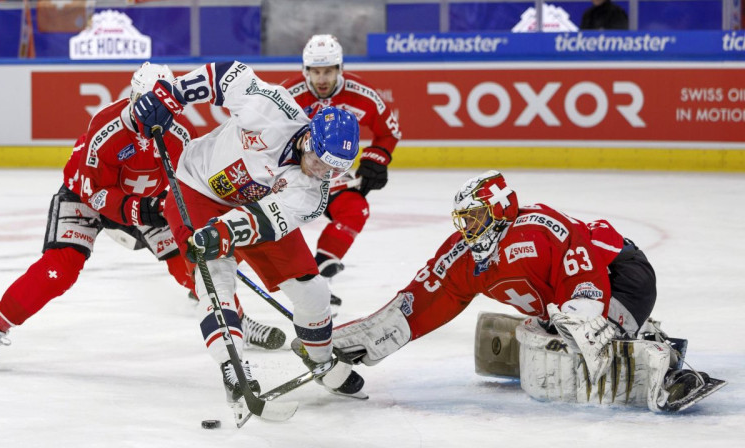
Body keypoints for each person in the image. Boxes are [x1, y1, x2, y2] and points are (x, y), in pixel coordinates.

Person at [0, 63, 284, 373]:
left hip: (149, 202)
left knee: (189, 265)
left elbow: (187, 182)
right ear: (134, 97)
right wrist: (141, 209)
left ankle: (236, 319)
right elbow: (93, 189)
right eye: (151, 104)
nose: (160, 115)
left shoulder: (181, 133)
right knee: (60, 268)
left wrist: (182, 213)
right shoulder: (106, 127)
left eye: (168, 107)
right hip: (87, 196)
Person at [331, 170, 725, 412]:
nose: (469, 229)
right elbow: (428, 294)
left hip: (623, 274)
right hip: (573, 292)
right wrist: (374, 336)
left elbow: (582, 264)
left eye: (476, 217)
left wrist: (586, 314)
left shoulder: (538, 227)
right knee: (558, 330)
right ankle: (617, 329)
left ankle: (665, 362)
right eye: (464, 221)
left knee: (588, 339)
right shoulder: (466, 254)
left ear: (500, 208)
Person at [132, 60, 367, 416]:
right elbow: (228, 75)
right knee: (214, 277)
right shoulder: (273, 109)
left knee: (311, 288)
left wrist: (223, 231)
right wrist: (173, 95)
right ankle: (232, 368)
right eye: (321, 160)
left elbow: (265, 221)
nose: (323, 173)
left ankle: (319, 358)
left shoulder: (311, 191)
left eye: (335, 169)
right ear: (308, 138)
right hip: (197, 188)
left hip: (256, 208)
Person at [281, 34, 402, 312]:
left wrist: (375, 160)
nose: (322, 79)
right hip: (292, 176)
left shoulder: (364, 94)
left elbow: (389, 131)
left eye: (328, 71)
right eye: (315, 71)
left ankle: (321, 272)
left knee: (355, 210)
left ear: (340, 69)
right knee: (268, 222)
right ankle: (216, 274)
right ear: (305, 71)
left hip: (335, 178)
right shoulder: (287, 96)